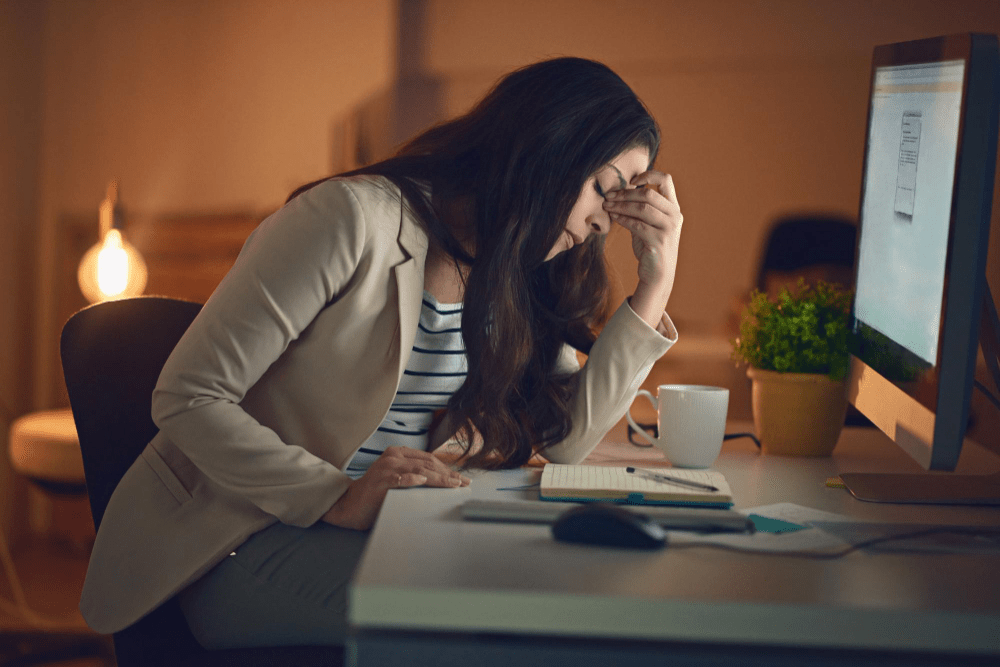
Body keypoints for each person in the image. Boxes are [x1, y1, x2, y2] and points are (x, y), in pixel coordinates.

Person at [77, 57, 683, 650]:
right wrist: (338, 496)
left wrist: (654, 285)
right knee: (500, 625)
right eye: (604, 188)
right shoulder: (350, 219)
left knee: (576, 596)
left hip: (398, 534)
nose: (608, 221)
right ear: (543, 147)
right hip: (242, 542)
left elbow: (566, 440)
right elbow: (188, 395)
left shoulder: (519, 268)